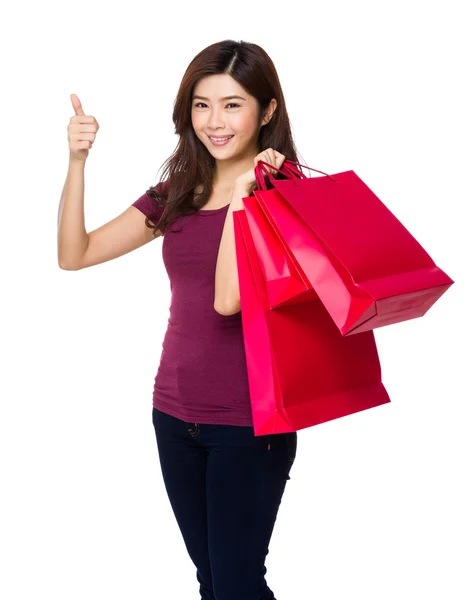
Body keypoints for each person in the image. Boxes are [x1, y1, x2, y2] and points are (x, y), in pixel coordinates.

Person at [58, 39, 303, 600]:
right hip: (173, 412)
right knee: (212, 581)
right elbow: (76, 253)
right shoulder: (178, 194)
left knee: (240, 583)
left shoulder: (288, 196)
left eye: (233, 104)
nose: (214, 122)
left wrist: (245, 201)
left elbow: (228, 300)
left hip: (250, 423)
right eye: (201, 104)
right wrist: (77, 163)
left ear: (266, 111)